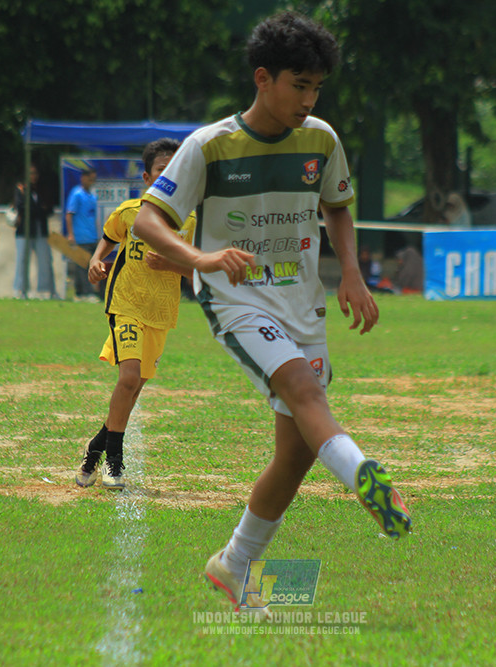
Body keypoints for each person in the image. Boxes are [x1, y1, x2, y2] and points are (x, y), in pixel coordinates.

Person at [131, 11, 412, 612]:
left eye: (316, 88)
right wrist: (201, 258)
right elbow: (148, 220)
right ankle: (367, 478)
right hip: (238, 300)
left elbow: (336, 205)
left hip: (303, 302)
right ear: (263, 78)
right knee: (307, 396)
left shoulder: (323, 140)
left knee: (297, 450)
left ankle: (234, 565)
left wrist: (354, 275)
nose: (308, 100)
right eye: (298, 85)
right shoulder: (208, 146)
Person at [74, 138, 195, 491]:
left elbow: (198, 267)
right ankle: (115, 461)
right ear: (147, 177)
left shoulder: (189, 219)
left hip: (161, 312)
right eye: (161, 170)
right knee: (128, 378)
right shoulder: (130, 211)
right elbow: (107, 240)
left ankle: (95, 448)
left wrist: (172, 263)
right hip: (126, 304)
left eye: (174, 170)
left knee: (134, 389)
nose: (168, 176)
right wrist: (96, 261)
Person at [12, 164, 58, 299]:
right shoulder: (20, 188)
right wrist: (39, 209)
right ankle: (21, 290)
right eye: (30, 174)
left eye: (35, 174)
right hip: (24, 231)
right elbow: (22, 207)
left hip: (41, 229)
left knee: (46, 259)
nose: (33, 177)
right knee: (22, 260)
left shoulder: (42, 189)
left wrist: (38, 209)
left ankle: (48, 290)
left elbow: (49, 208)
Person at [65, 168, 101, 300]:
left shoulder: (92, 196)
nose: (92, 182)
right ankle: (86, 293)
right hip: (81, 237)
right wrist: (71, 235)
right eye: (90, 179)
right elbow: (69, 214)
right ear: (83, 178)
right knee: (82, 266)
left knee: (89, 265)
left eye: (93, 180)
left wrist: (97, 235)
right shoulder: (77, 194)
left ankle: (80, 293)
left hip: (91, 236)